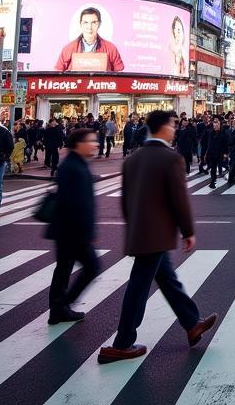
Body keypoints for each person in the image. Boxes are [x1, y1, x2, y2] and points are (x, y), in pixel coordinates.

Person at [98, 110, 217, 364]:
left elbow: (125, 201)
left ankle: (191, 322)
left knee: (167, 279)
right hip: (157, 235)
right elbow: (179, 200)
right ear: (163, 128)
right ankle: (122, 343)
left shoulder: (133, 159)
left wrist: (135, 226)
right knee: (139, 286)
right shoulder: (170, 158)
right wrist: (188, 231)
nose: (175, 129)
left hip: (141, 233)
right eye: (173, 125)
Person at [46, 126, 101, 325]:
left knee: (63, 268)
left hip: (66, 229)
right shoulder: (73, 167)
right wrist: (87, 231)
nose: (95, 144)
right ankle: (62, 305)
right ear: (79, 144)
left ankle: (58, 309)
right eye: (91, 140)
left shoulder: (74, 164)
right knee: (92, 266)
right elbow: (77, 204)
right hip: (73, 231)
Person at [54, 6, 125, 73]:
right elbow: (57, 72)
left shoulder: (111, 48)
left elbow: (119, 74)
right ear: (81, 24)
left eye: (94, 23)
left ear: (99, 24)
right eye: (85, 23)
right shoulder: (68, 48)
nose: (89, 27)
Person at [204, 117, 229, 188]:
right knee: (213, 168)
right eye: (214, 122)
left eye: (217, 122)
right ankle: (213, 181)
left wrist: (226, 153)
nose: (215, 124)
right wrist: (206, 153)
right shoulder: (211, 132)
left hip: (221, 153)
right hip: (213, 153)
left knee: (225, 165)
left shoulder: (224, 132)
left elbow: (227, 144)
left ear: (220, 123)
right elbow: (209, 144)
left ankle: (231, 175)